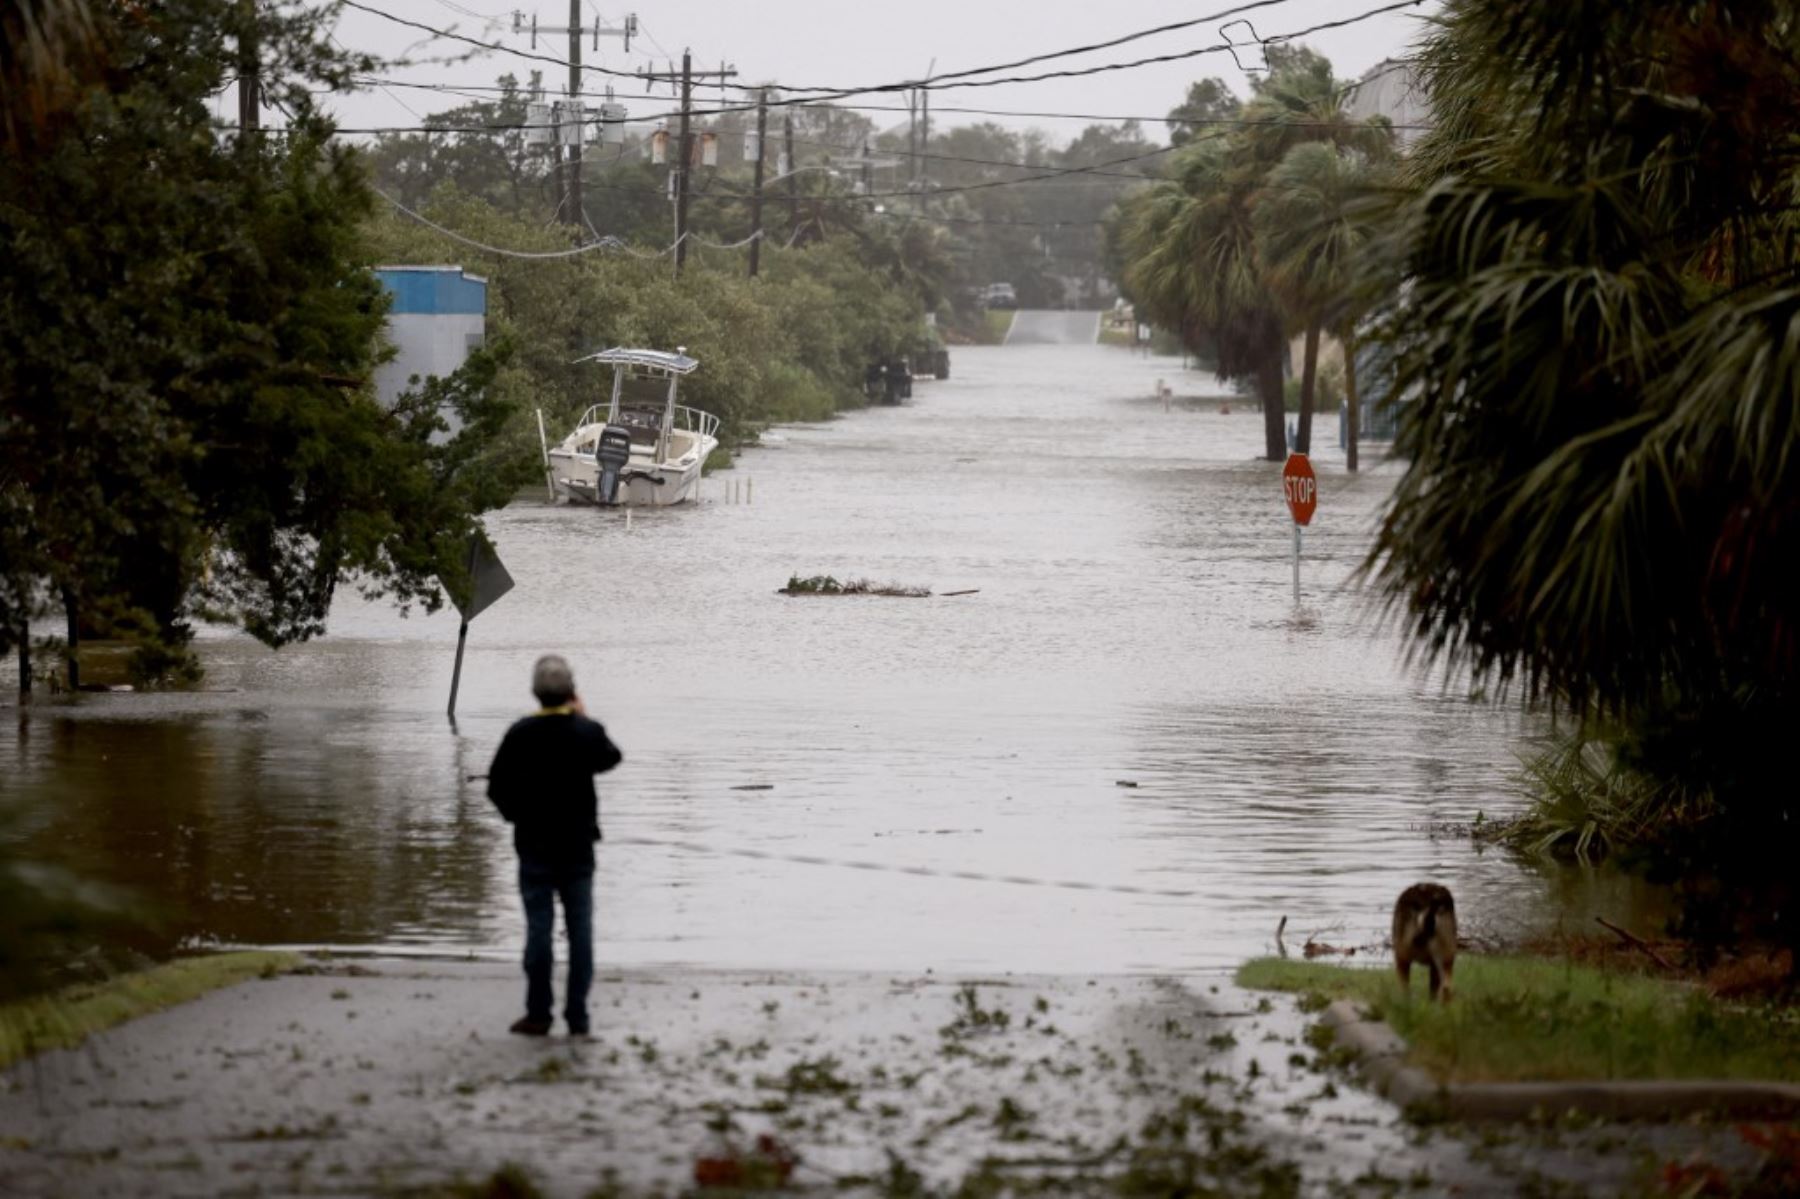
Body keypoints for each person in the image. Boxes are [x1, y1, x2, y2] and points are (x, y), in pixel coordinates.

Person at [486, 655, 622, 1037]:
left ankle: (538, 1012)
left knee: (538, 930)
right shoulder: (585, 732)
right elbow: (611, 757)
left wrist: (518, 817)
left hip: (533, 845)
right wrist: (583, 717)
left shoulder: (520, 732)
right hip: (578, 846)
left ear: (535, 691)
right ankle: (577, 1016)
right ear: (571, 691)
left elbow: (496, 787)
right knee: (580, 933)